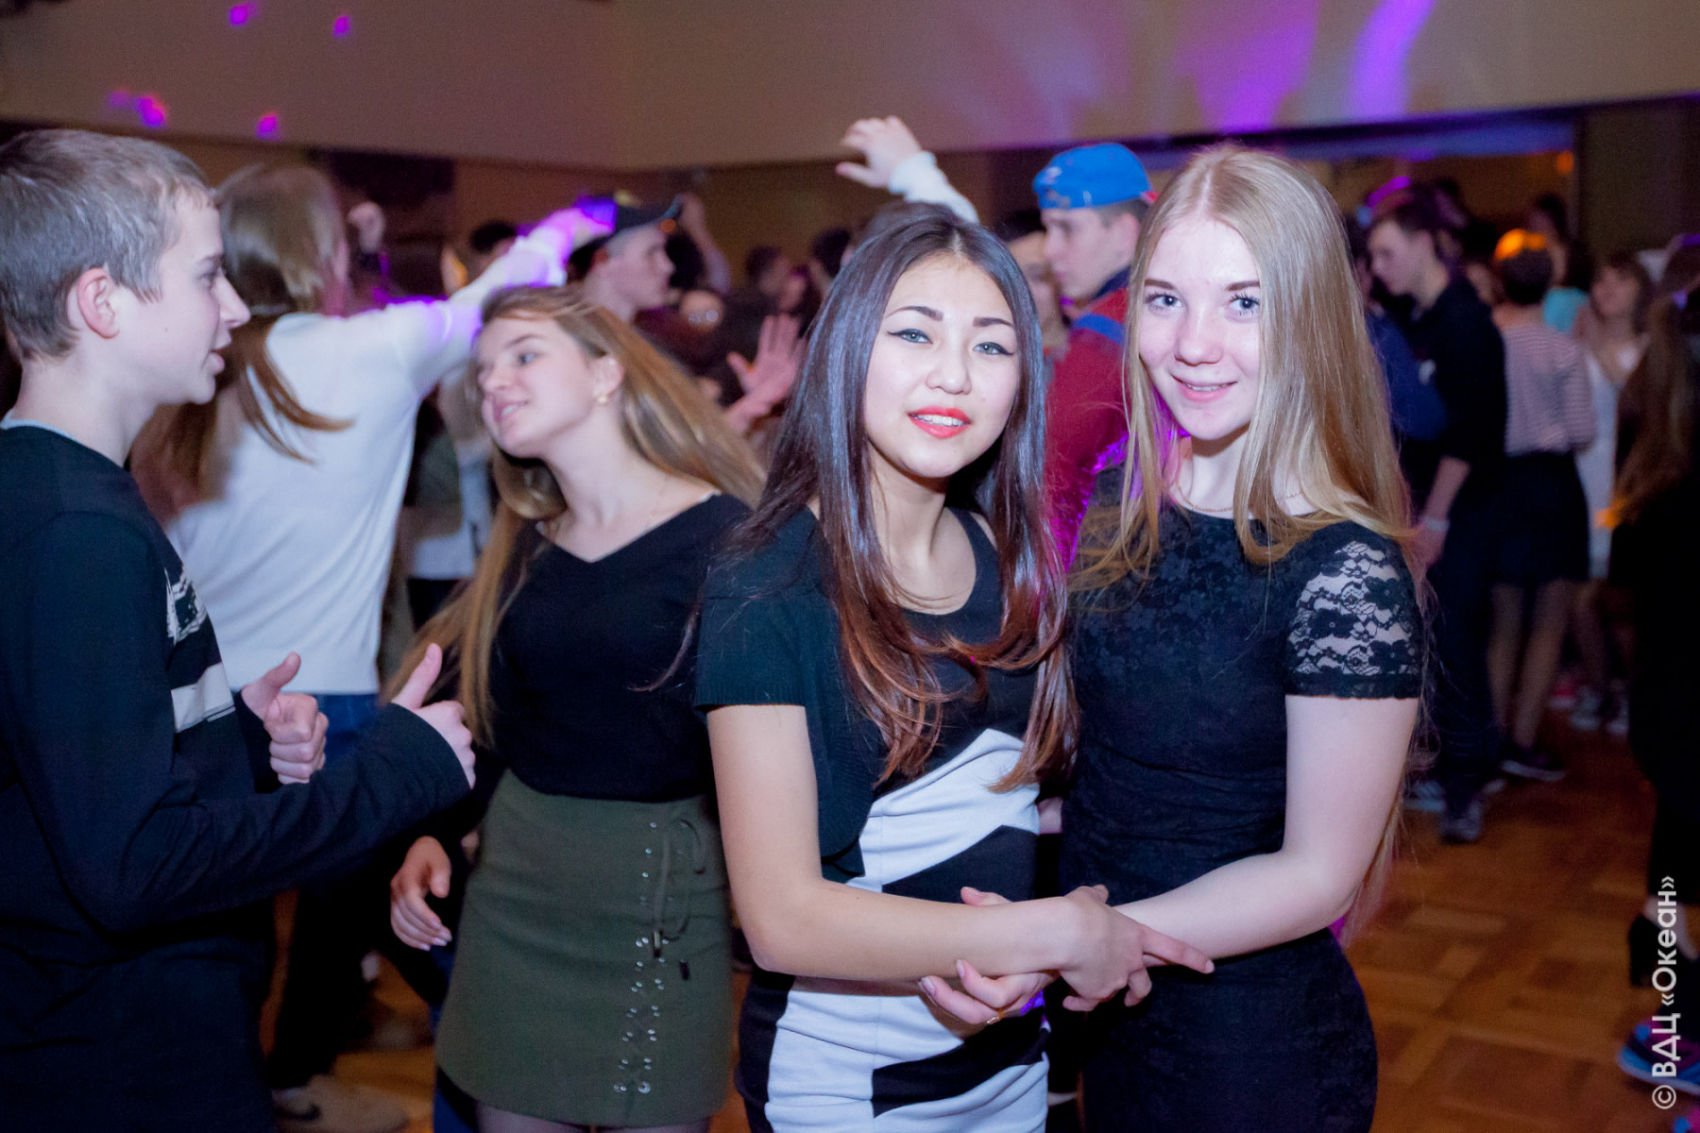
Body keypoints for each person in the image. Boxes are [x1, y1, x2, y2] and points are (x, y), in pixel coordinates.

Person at [0, 128, 475, 1131]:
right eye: (206, 276)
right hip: (118, 1059)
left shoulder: (62, 492)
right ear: (102, 302)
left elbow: (67, 763)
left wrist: (235, 739)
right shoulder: (77, 532)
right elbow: (134, 865)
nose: (235, 306)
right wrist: (393, 770)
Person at [695, 211, 1209, 1132]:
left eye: (992, 345)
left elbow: (1006, 794)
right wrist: (1046, 932)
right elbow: (779, 917)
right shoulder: (768, 579)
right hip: (851, 1085)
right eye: (915, 333)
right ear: (847, 348)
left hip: (1009, 1061)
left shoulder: (1003, 552)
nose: (954, 375)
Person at [944, 145, 1422, 1131]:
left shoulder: (1344, 570)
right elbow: (1116, 757)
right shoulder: (1124, 492)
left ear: (1309, 317)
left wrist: (1083, 938)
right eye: (1164, 299)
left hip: (1249, 1049)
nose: (1194, 343)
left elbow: (1316, 873)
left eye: (1244, 302)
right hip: (1114, 1017)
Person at [129, 160, 601, 1129]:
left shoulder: (183, 381)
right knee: (420, 928)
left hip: (204, 707)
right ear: (324, 251)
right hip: (326, 702)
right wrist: (571, 223)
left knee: (232, 942)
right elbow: (494, 296)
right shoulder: (374, 348)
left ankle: (277, 1081)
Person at [385, 287, 763, 1133]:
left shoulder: (727, 538)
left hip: (660, 900)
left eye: (524, 355)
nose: (495, 382)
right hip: (516, 897)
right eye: (484, 370)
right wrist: (434, 833)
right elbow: (490, 715)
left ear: (604, 373)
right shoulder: (526, 542)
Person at [1369, 189, 1507, 843]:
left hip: (1462, 513)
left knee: (1458, 641)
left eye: (1387, 253)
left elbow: (1471, 434)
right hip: (1424, 509)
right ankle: (1450, 766)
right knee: (1434, 640)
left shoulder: (1467, 323)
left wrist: (1439, 520)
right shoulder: (1413, 316)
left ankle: (1466, 787)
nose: (1379, 268)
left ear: (1425, 243)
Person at [1610, 255, 1700, 1104]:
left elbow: (1626, 578)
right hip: (1679, 705)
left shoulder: (1653, 452)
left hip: (1668, 705)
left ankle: (1677, 1029)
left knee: (1671, 875)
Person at [1483, 231, 1595, 783]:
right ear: (1550, 286)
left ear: (1500, 282)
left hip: (1500, 485)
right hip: (1551, 486)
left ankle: (1489, 739)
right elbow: (1581, 430)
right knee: (1549, 620)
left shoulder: (1488, 341)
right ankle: (1522, 740)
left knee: (1502, 621)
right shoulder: (1562, 349)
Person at [1033, 142, 1153, 558]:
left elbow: (1055, 480)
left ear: (1124, 233)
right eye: (1048, 229)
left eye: (1067, 228)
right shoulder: (1163, 307)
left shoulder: (1105, 329)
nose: (1049, 250)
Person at [1567, 251, 1651, 732]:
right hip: (1583, 478)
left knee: (1619, 599)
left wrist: (1597, 347)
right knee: (1579, 596)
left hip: (1628, 482)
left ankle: (1630, 693)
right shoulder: (1575, 346)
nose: (1608, 289)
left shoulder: (1650, 347)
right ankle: (1601, 688)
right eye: (1601, 280)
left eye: (1621, 280)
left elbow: (1635, 401)